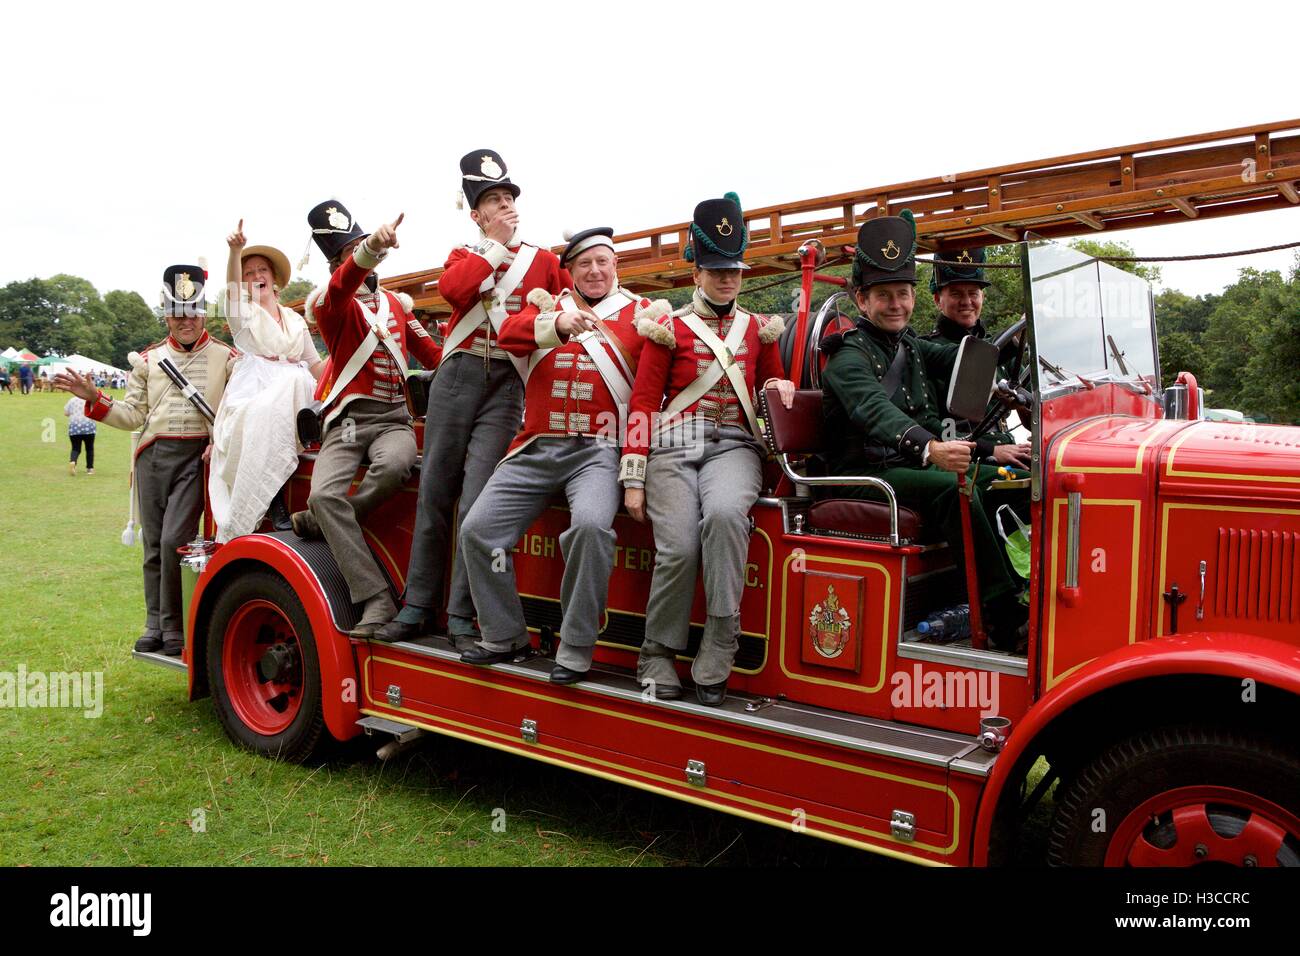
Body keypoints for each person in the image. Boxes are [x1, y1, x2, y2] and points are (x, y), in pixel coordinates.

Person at [456, 227, 665, 680]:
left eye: (602, 262)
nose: (594, 271)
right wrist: (556, 324)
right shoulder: (549, 306)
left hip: (599, 450)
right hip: (536, 445)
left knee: (590, 527)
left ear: (616, 266)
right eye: (584, 264)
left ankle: (574, 643)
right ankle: (504, 632)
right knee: (477, 530)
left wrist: (634, 468)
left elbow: (652, 394)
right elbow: (509, 332)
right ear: (569, 272)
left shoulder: (643, 314)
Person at [376, 150, 564, 649]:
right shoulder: (467, 254)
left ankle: (461, 614)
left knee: (477, 503)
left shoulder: (544, 261)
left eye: (508, 197)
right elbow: (455, 291)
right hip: (458, 373)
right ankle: (417, 605)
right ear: (476, 214)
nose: (504, 206)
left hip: (507, 384)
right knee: (435, 492)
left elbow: (565, 313)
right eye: (492, 201)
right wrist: (496, 247)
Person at [820, 213, 1027, 651]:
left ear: (915, 297)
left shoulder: (909, 345)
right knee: (955, 491)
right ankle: (1003, 615)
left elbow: (958, 359)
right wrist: (930, 448)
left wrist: (1018, 366)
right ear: (862, 300)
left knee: (1009, 482)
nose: (895, 305)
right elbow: (874, 410)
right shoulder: (846, 357)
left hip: (904, 467)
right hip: (866, 474)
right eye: (884, 296)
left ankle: (1027, 589)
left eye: (903, 294)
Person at [623, 194, 795, 705]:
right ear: (697, 271)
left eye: (735, 271)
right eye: (718, 270)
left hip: (733, 449)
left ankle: (721, 644)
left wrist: (782, 389)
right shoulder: (667, 327)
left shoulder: (759, 330)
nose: (728, 280)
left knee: (724, 518)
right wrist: (634, 474)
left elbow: (771, 388)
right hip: (671, 448)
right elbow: (643, 402)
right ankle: (656, 653)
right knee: (677, 543)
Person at [55, 265, 235, 656]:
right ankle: (154, 623)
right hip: (152, 458)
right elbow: (133, 415)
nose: (184, 321)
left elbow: (239, 409)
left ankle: (175, 626)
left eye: (191, 312)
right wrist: (94, 397)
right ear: (166, 314)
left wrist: (220, 439)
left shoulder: (226, 358)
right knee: (153, 545)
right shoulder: (149, 360)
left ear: (203, 313)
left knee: (175, 541)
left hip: (196, 459)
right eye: (175, 313)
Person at [290, 200, 442, 637]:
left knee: (394, 466)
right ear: (337, 266)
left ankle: (327, 522)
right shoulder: (331, 305)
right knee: (321, 495)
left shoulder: (397, 306)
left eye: (358, 246)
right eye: (346, 254)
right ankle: (375, 596)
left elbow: (432, 354)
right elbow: (343, 287)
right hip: (347, 421)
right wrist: (371, 247)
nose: (357, 257)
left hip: (394, 419)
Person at [208, 220, 324, 542]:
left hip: (297, 393)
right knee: (260, 414)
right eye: (249, 272)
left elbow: (315, 365)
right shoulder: (241, 314)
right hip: (254, 391)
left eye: (262, 270)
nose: (257, 276)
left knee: (297, 384)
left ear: (274, 279)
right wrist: (235, 251)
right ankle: (270, 501)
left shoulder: (295, 319)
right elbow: (230, 289)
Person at [921, 248, 1029, 469]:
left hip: (1007, 447)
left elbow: (1030, 418)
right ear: (937, 299)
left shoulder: (1002, 347)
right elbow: (927, 425)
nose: (966, 301)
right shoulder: (927, 351)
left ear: (983, 297)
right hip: (963, 458)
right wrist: (990, 450)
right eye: (956, 294)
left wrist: (1021, 405)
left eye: (973, 293)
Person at [64, 391, 96, 475]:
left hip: (74, 427)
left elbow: (66, 413)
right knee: (89, 448)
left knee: (75, 448)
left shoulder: (72, 400)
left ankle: (73, 462)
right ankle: (90, 469)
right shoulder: (90, 400)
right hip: (89, 427)